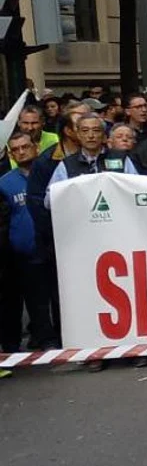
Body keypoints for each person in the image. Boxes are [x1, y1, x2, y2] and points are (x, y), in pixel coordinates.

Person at [2, 129, 56, 354]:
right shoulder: (4, 183)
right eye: (16, 150)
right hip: (24, 253)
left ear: (36, 147)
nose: (22, 152)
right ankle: (44, 339)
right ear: (10, 154)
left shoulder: (50, 173)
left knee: (58, 296)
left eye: (25, 147)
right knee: (36, 301)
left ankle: (61, 337)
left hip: (53, 247)